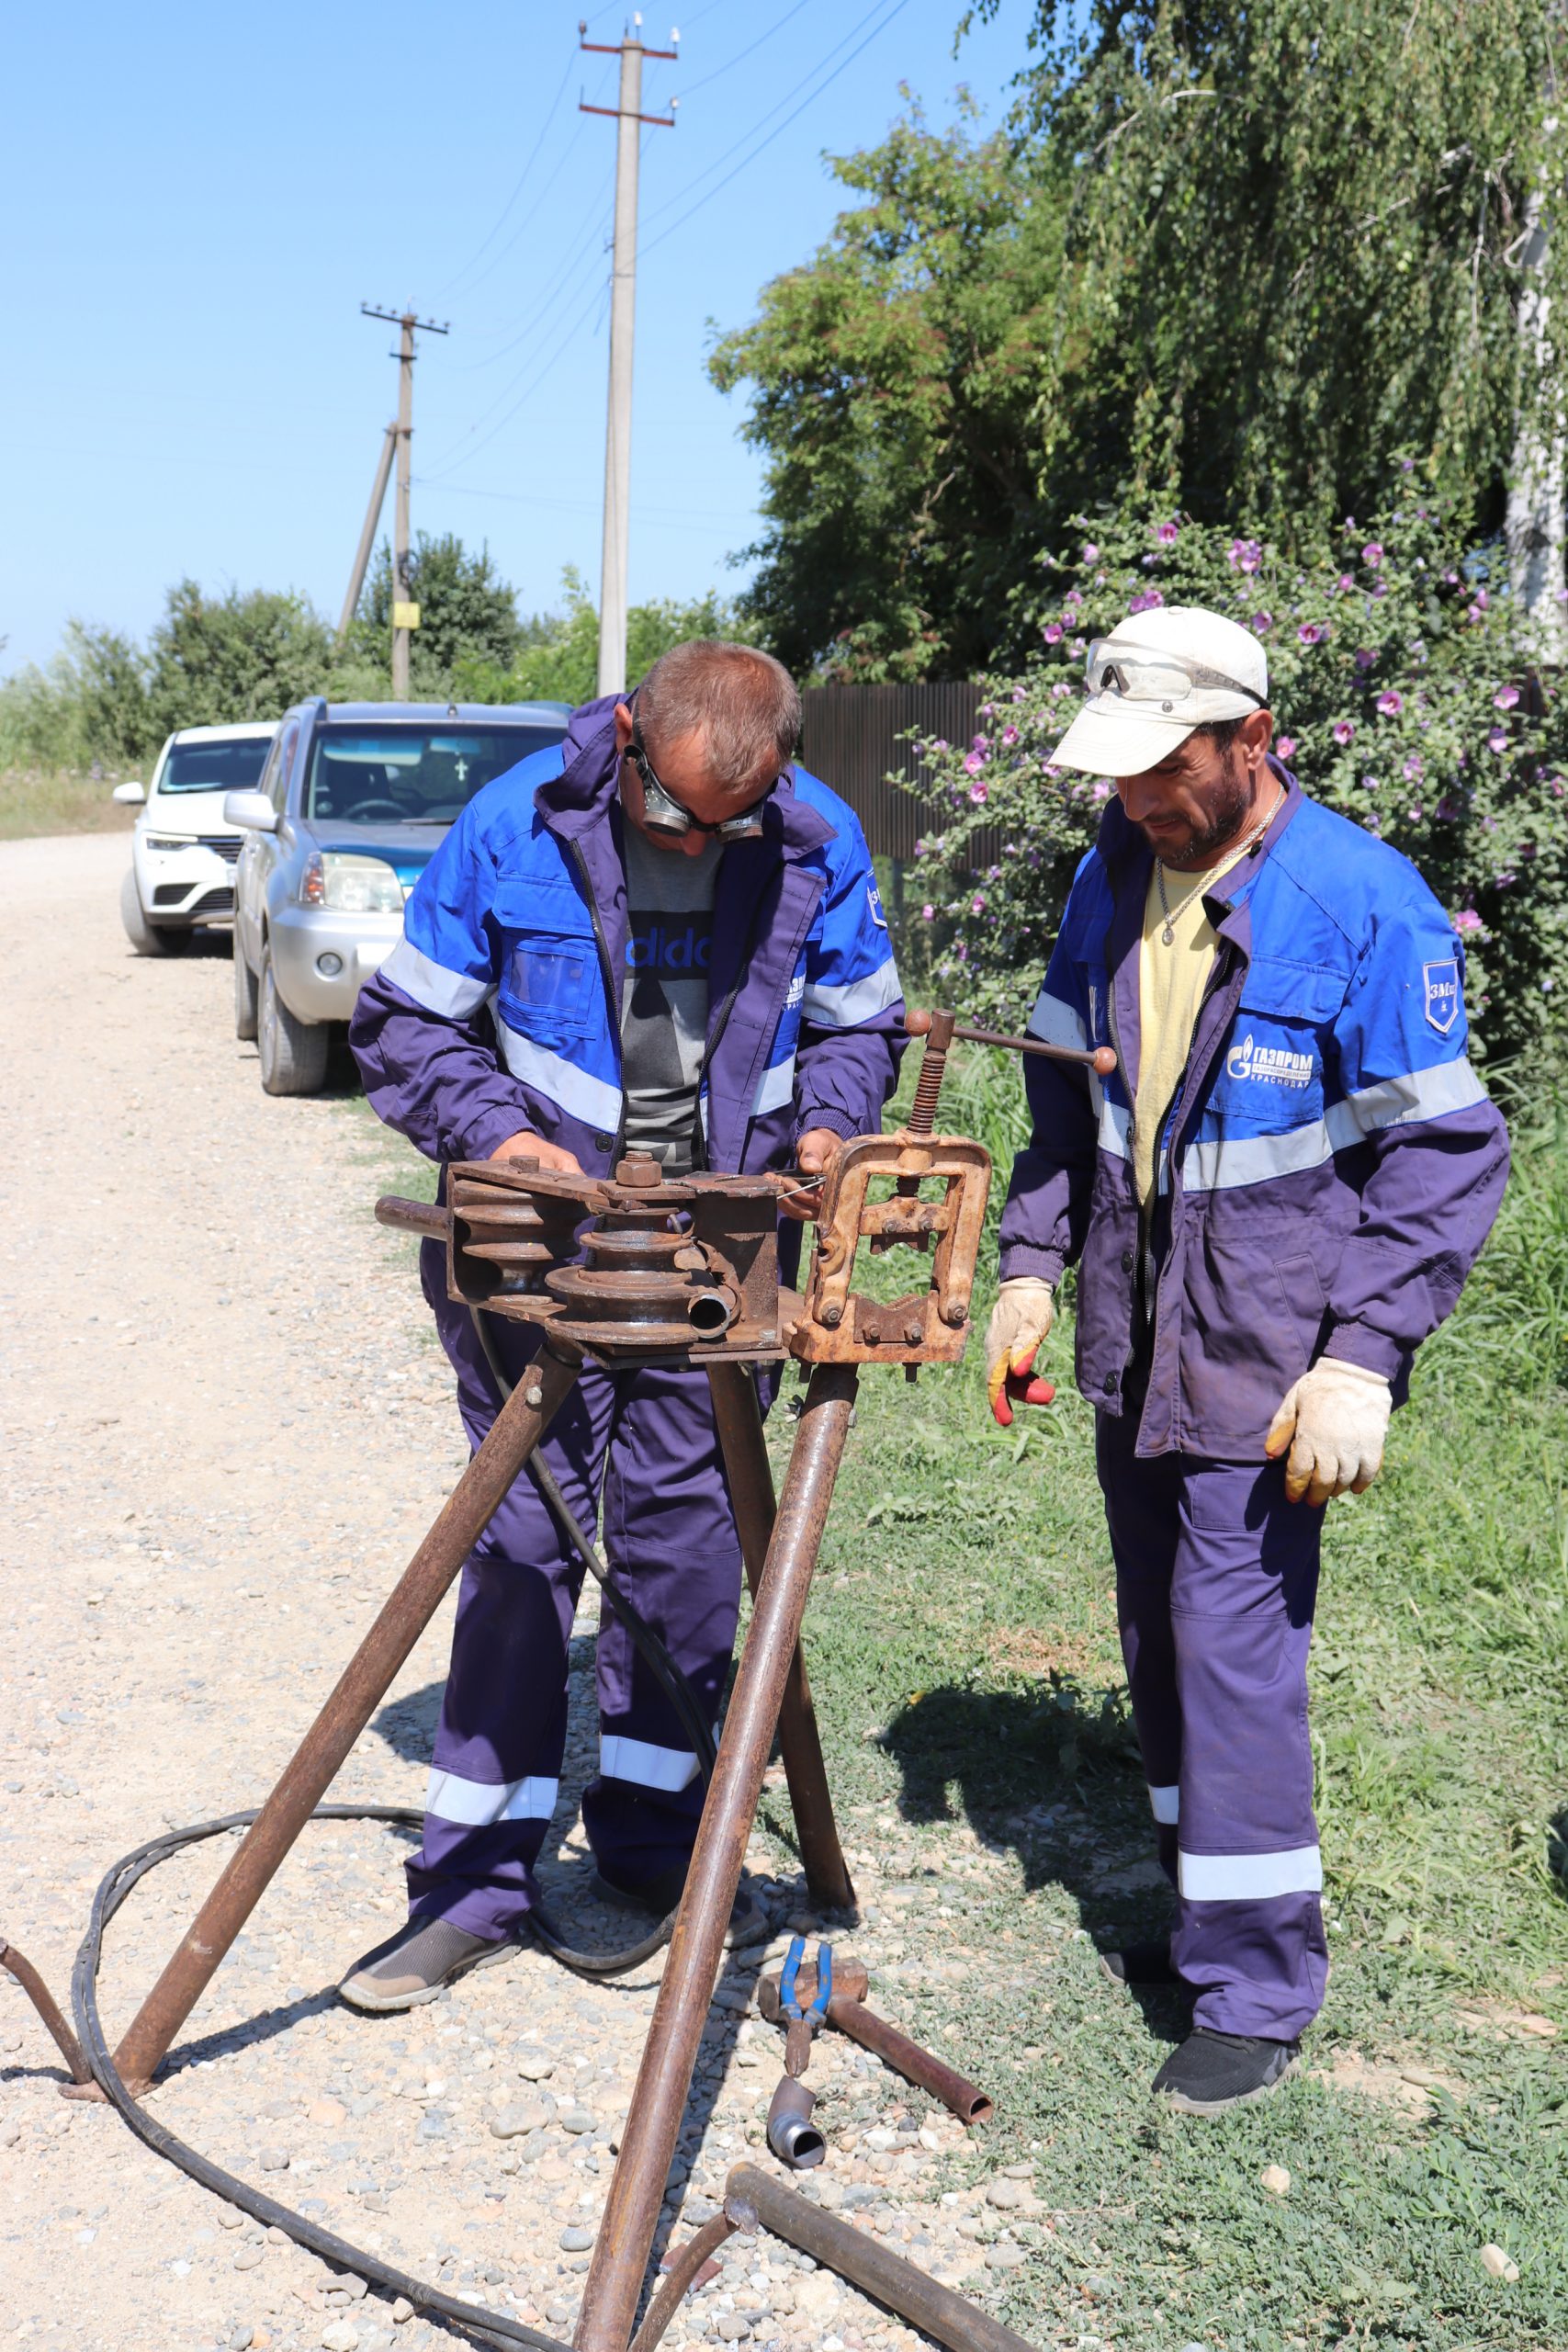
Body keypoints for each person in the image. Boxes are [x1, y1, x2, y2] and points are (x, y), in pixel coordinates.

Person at [987, 605, 1508, 2114]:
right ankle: (1196, 1901)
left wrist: (1364, 1360)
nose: (1142, 799)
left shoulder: (1361, 902)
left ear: (1251, 740)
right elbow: (1059, 1095)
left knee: (1232, 1658)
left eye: (1168, 770)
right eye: (1124, 772)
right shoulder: (1106, 875)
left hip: (1266, 1356)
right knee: (1156, 1638)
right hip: (1134, 1335)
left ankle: (1258, 1986)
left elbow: (1446, 1157)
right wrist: (1031, 1268)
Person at [340, 640, 903, 2008]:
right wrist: (496, 1138)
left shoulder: (818, 843)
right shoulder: (516, 818)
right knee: (526, 1549)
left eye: (737, 819)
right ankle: (473, 1882)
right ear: (631, 744)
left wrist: (832, 1120)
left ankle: (651, 1855)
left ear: (779, 774)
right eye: (681, 813)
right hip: (538, 1247)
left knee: (684, 1549)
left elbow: (859, 1027)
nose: (704, 840)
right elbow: (403, 1029)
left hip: (718, 1252)